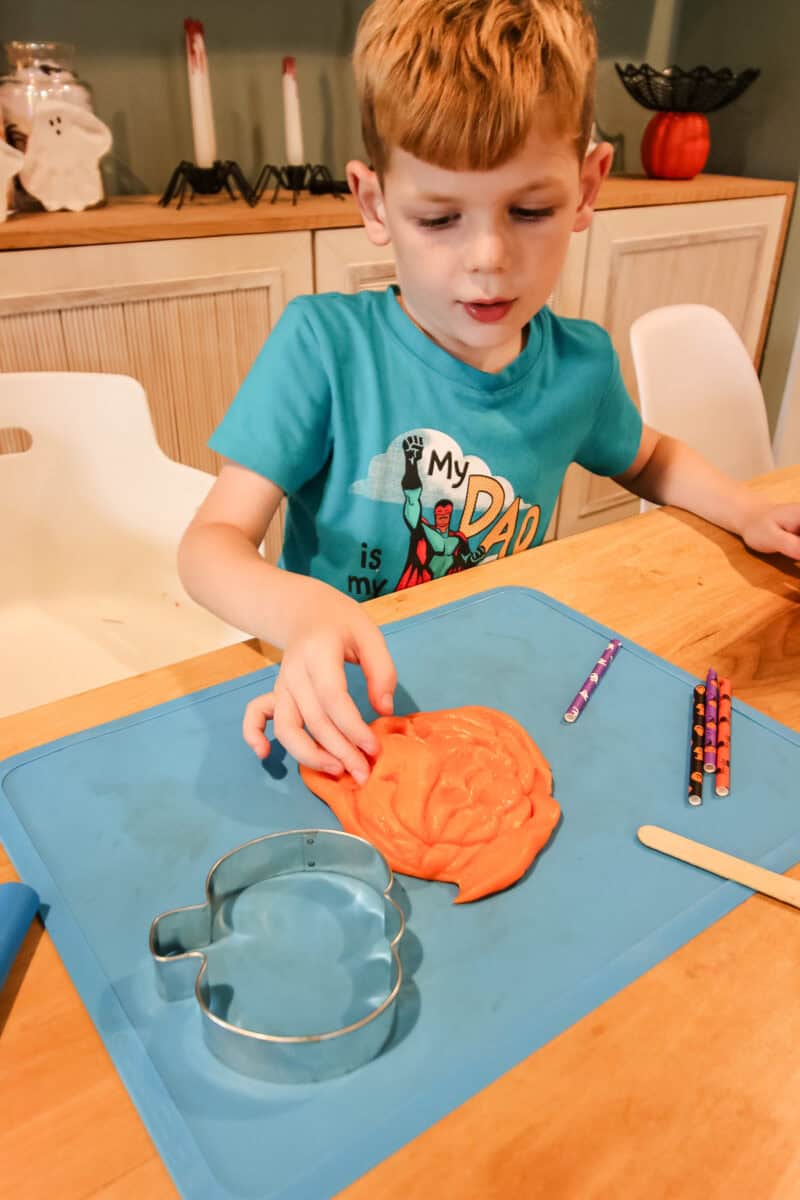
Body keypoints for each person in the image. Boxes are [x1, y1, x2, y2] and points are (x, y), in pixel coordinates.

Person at [178, 0, 800, 787]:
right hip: (338, 702)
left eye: (530, 210)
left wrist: (745, 510)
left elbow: (651, 459)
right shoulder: (323, 347)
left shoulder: (580, 366)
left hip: (499, 688)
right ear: (374, 204)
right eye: (439, 218)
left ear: (587, 187)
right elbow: (209, 547)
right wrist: (300, 614)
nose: (488, 258)